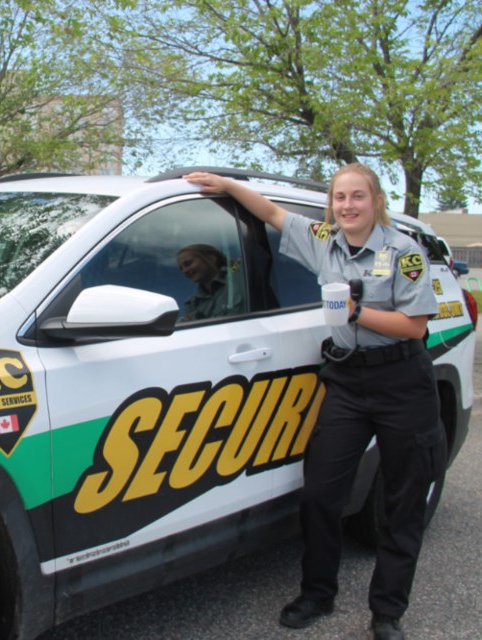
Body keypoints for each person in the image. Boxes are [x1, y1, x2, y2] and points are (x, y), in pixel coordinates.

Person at [184, 165, 443, 640]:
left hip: (402, 380)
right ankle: (317, 595)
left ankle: (387, 612)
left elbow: (415, 327)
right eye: (340, 197)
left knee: (403, 500)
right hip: (347, 379)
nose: (347, 206)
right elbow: (272, 212)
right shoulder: (323, 238)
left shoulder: (403, 252)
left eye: (357, 197)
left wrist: (357, 312)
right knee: (322, 493)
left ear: (376, 201)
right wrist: (226, 186)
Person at [176, 243, 244, 320]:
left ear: (211, 258)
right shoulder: (193, 304)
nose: (185, 270)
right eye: (181, 268)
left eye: (188, 263)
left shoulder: (240, 275)